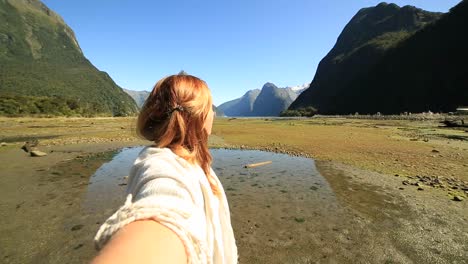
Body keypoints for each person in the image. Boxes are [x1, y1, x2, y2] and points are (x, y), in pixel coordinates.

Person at [92, 74, 238, 264]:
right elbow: (164, 202)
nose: (214, 114)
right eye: (210, 108)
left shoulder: (190, 159)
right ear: (196, 116)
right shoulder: (161, 165)